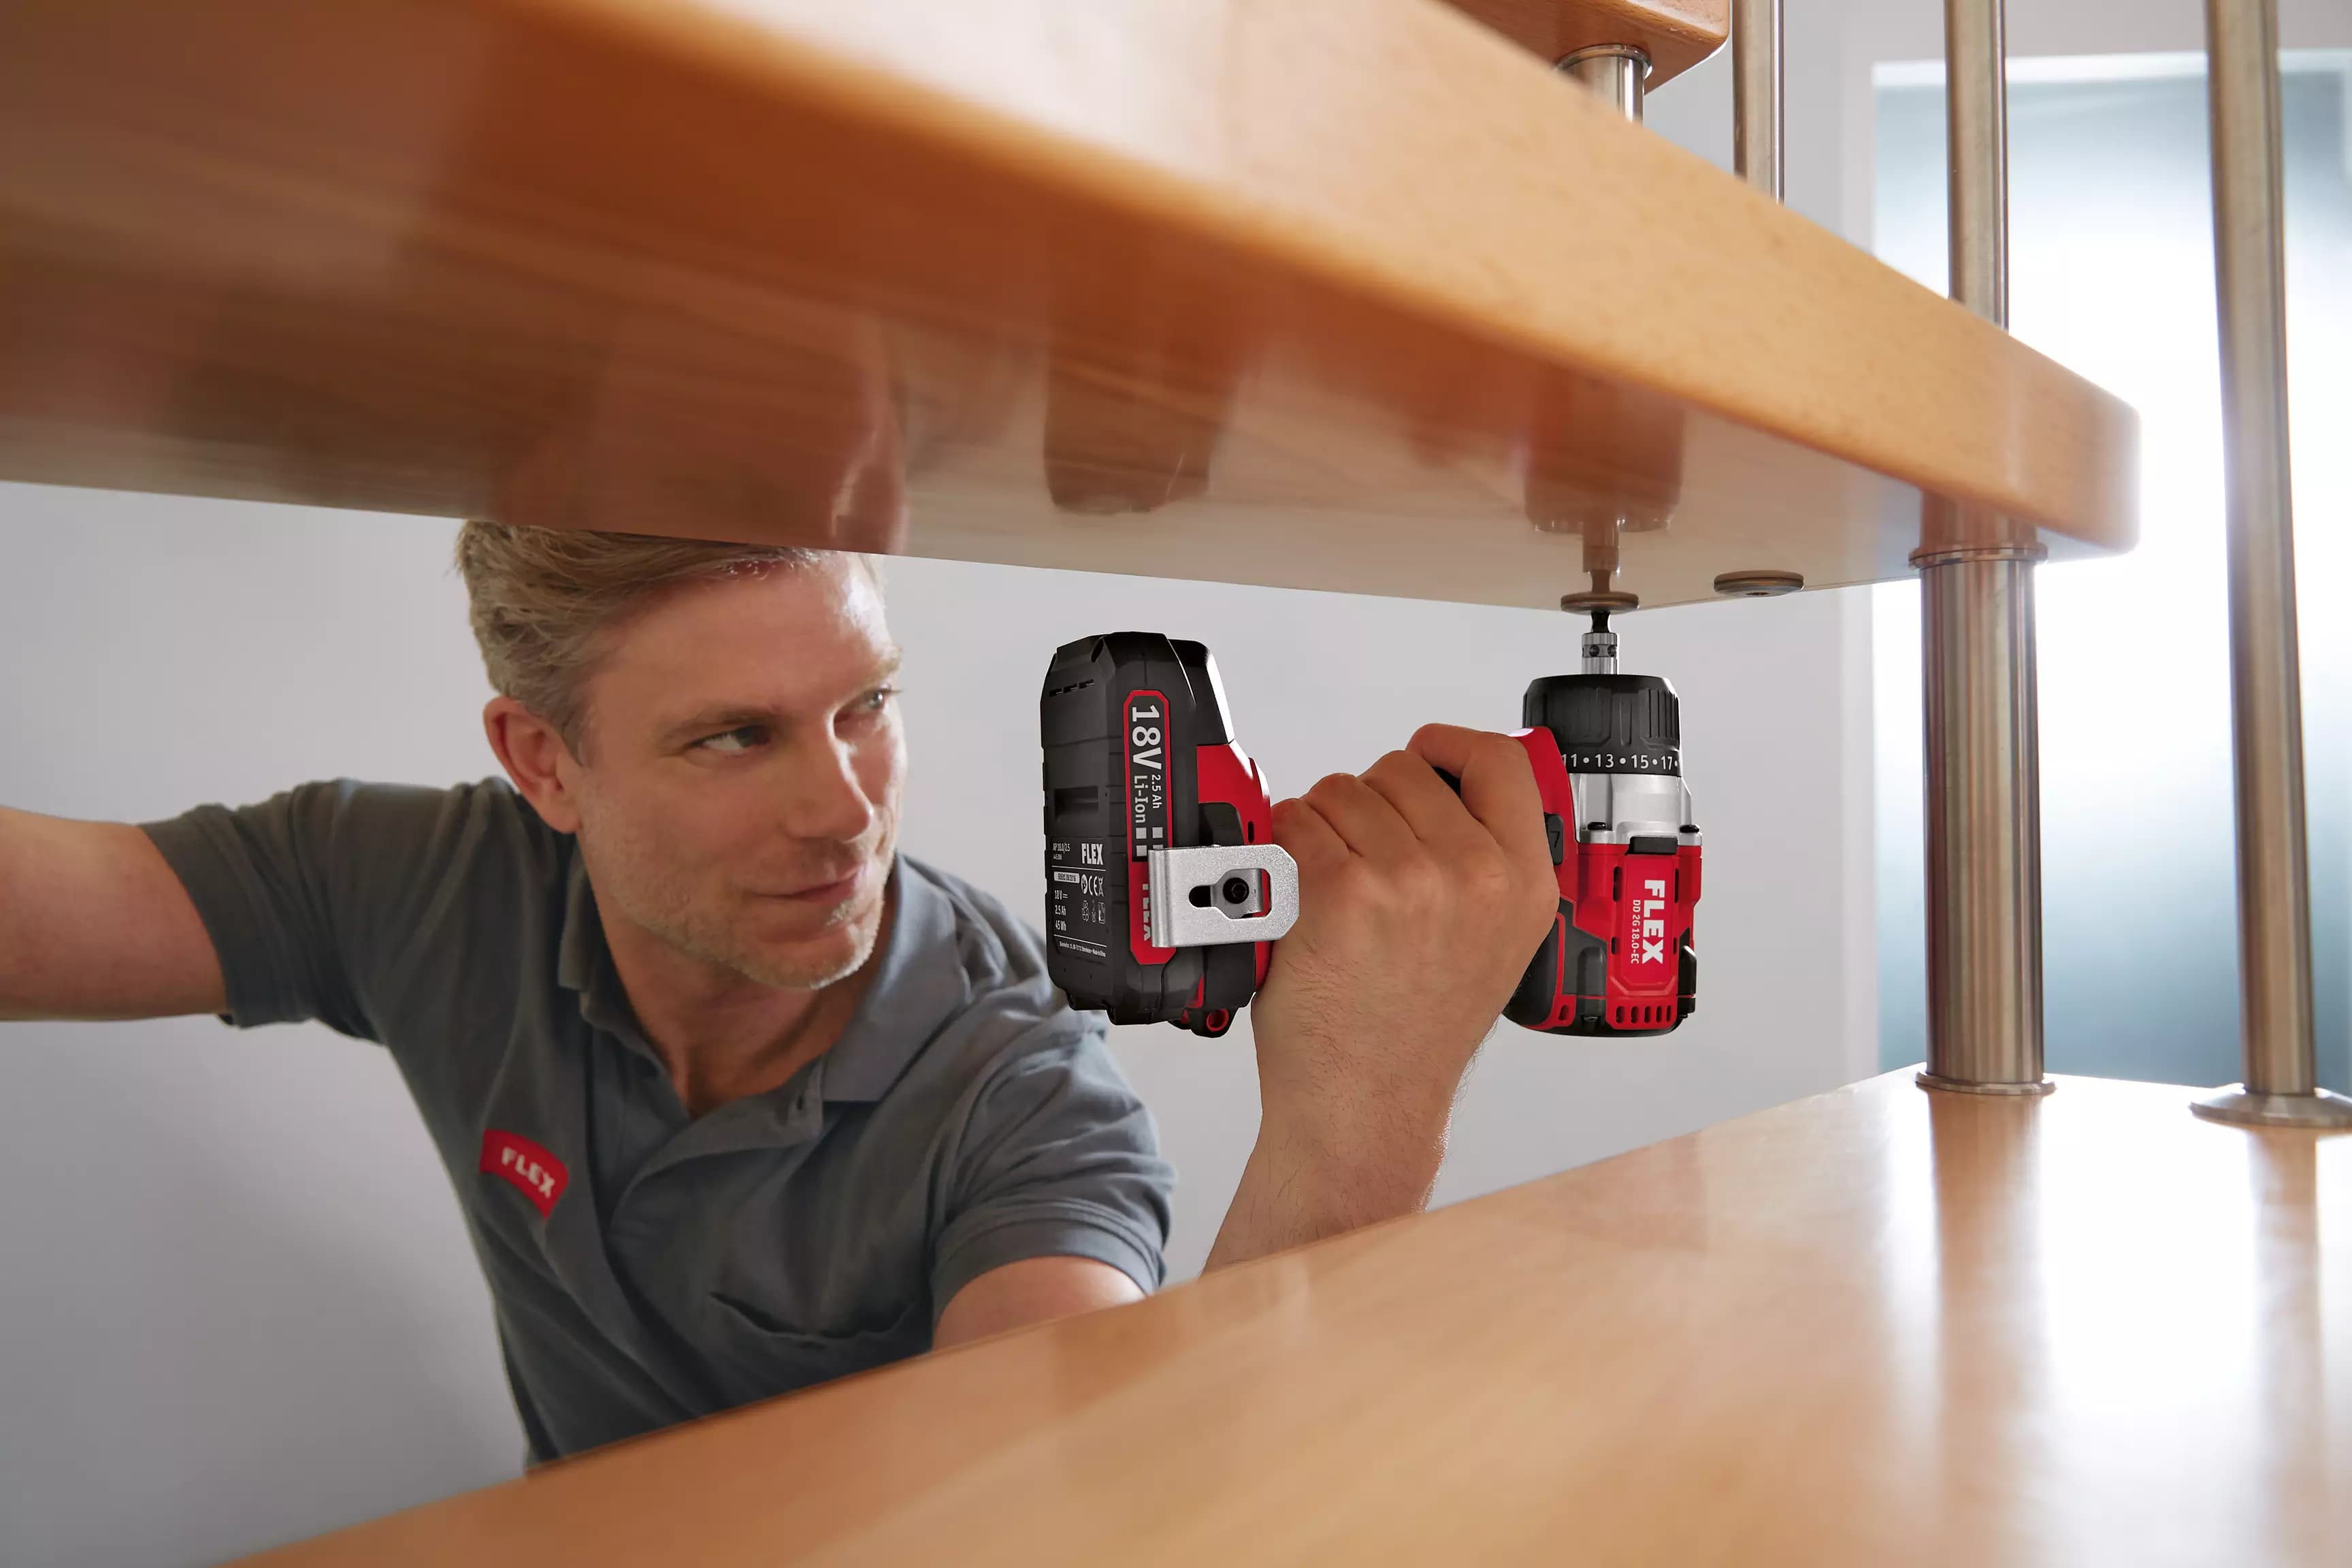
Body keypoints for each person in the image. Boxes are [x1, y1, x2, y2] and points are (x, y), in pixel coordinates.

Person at [0, 523, 1558, 1462]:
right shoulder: (426, 882)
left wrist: (1362, 1113)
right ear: (545, 763)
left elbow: (1096, 1519)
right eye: (735, 737)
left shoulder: (1021, 1098)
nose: (845, 811)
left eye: (865, 704)